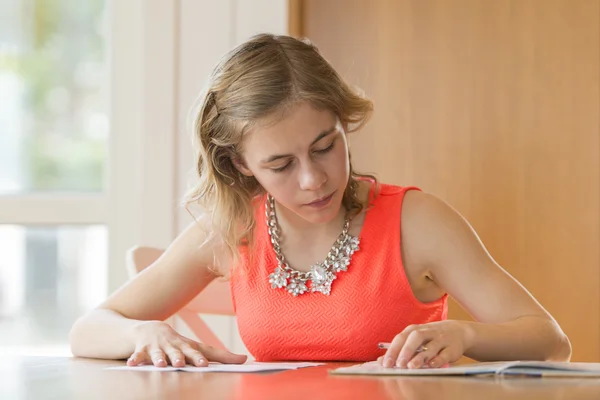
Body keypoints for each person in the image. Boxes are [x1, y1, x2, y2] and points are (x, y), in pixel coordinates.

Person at [69, 33, 571, 370]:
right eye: (281, 165)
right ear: (242, 165)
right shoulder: (231, 227)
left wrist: (467, 337)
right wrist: (143, 336)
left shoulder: (417, 222)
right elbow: (89, 329)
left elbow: (550, 340)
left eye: (325, 146)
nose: (313, 180)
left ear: (343, 122)